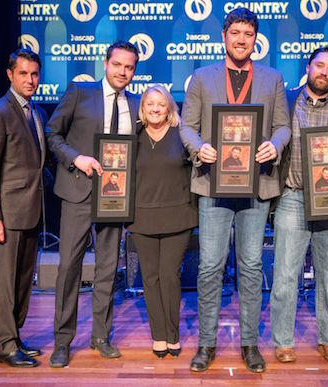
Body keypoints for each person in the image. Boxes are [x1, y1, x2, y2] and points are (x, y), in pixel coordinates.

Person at [179, 7, 291, 373]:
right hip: (214, 183)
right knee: (210, 266)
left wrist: (275, 145)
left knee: (252, 265)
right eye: (235, 33)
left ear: (256, 39)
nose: (241, 39)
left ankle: (249, 344)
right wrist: (200, 148)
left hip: (256, 184)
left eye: (248, 33)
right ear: (224, 37)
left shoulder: (273, 78)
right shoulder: (201, 77)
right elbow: (187, 127)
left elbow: (282, 126)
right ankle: (206, 344)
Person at [45, 41, 140, 368]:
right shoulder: (79, 92)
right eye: (118, 65)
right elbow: (52, 134)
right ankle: (62, 341)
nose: (123, 73)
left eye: (129, 68)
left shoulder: (138, 103)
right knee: (69, 267)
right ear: (106, 63)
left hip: (116, 197)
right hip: (79, 191)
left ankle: (101, 335)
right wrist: (77, 158)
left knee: (107, 269)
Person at [271, 47, 328, 364]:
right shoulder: (284, 101)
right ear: (308, 67)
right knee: (285, 275)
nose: (325, 72)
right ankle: (283, 341)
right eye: (320, 65)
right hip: (291, 197)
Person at [0, 48, 47, 368]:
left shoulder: (38, 112)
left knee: (21, 280)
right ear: (10, 75)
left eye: (34, 74)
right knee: (5, 283)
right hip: (7, 213)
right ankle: (5, 345)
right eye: (23, 74)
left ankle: (10, 337)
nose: (30, 80)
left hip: (31, 209)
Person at [126, 85, 197, 359]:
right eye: (150, 104)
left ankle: (173, 334)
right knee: (150, 278)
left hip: (178, 216)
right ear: (142, 108)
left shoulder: (183, 136)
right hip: (141, 216)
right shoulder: (133, 137)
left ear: (169, 108)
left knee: (169, 276)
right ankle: (158, 336)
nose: (155, 109)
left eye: (161, 104)